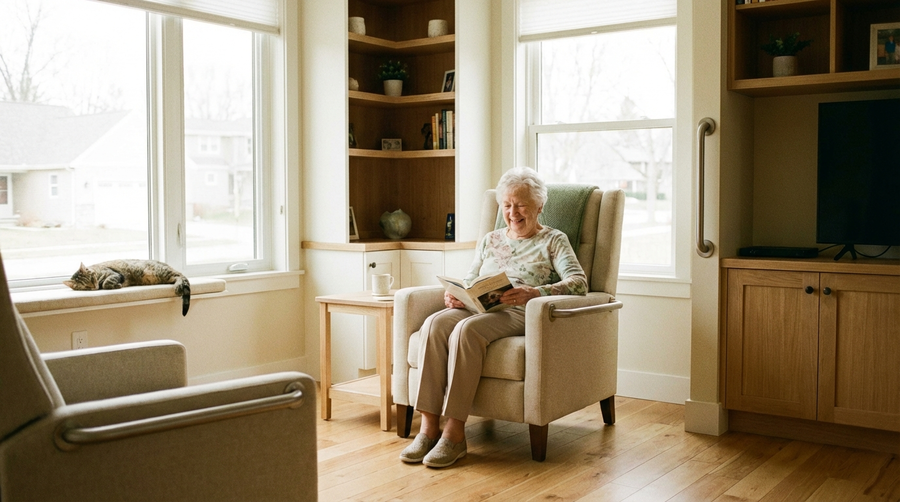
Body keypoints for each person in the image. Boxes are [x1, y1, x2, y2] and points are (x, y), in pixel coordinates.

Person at [398, 167, 588, 468]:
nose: (513, 212)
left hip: (520, 310)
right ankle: (428, 428)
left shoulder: (553, 240)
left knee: (467, 330)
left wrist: (535, 292)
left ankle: (455, 434)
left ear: (539, 206)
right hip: (479, 305)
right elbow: (471, 278)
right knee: (434, 324)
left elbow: (579, 282)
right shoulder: (491, 239)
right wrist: (456, 295)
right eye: (507, 205)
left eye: (521, 205)